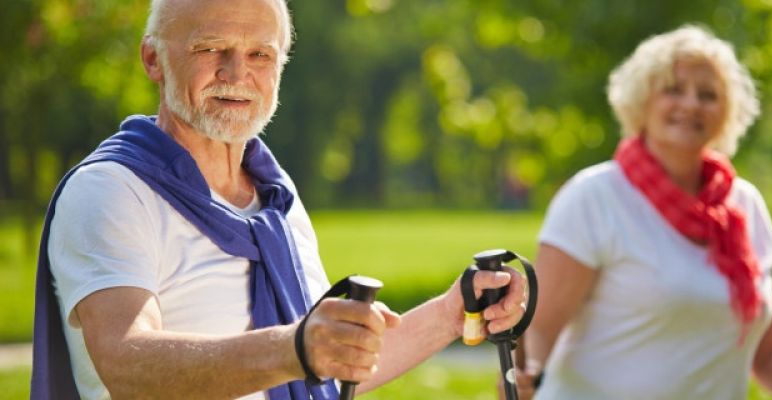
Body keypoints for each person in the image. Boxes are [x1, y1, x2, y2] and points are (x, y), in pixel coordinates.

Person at [30, 0, 528, 398]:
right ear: (153, 59)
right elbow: (127, 364)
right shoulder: (111, 190)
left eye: (259, 54)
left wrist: (452, 310)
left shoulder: (274, 201)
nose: (236, 72)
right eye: (210, 48)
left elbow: (324, 369)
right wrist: (293, 348)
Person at [509, 25, 772, 399]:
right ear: (641, 101)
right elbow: (538, 330)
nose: (691, 104)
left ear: (728, 113)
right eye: (673, 89)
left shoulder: (746, 206)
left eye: (708, 95)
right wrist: (525, 377)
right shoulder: (595, 197)